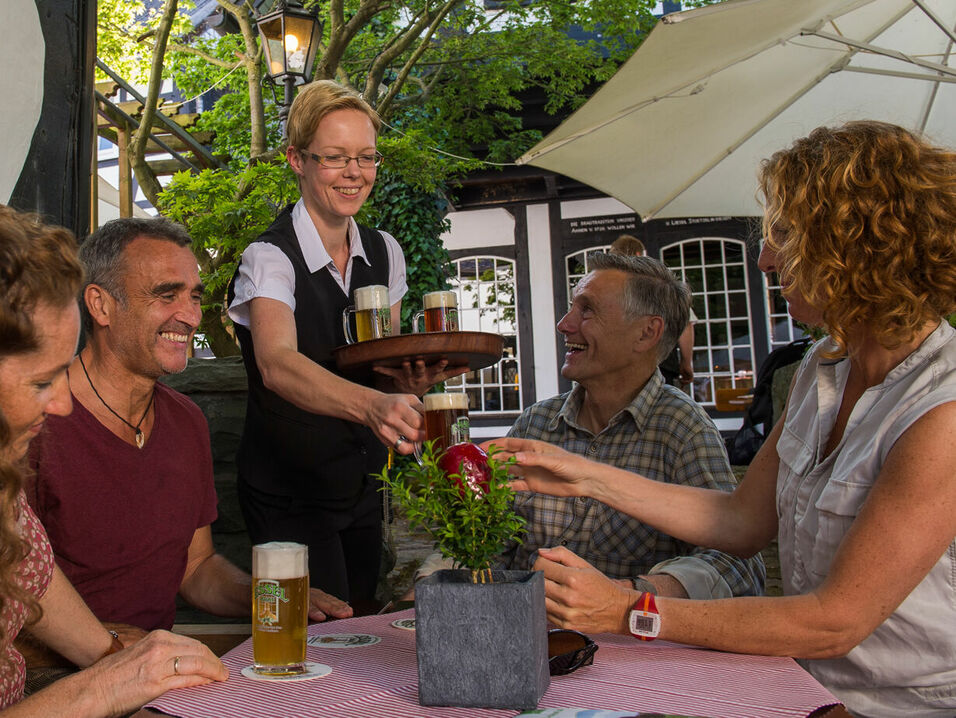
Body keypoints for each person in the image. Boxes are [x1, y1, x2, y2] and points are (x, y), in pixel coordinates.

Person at [491, 121, 956, 717]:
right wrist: (583, 474)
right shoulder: (823, 364)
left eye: (783, 233)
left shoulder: (938, 409)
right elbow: (740, 521)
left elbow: (831, 623)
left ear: (856, 242)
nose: (764, 258)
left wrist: (628, 611)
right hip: (807, 693)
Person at [27, 216, 351, 636]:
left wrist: (270, 595)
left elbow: (196, 568)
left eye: (194, 297)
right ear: (100, 305)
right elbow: (13, 602)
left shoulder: (185, 420)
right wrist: (109, 652)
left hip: (155, 671)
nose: (191, 316)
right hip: (50, 678)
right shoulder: (32, 423)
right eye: (166, 295)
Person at [226, 80, 465, 607]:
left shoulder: (386, 251)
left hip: (362, 485)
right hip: (289, 491)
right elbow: (277, 365)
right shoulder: (269, 257)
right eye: (335, 158)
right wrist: (373, 405)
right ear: (297, 160)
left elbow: (384, 364)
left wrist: (410, 383)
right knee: (322, 634)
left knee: (360, 625)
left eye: (366, 157)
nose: (354, 172)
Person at [0, 205, 227, 714]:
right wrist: (110, 680)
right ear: (100, 307)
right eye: (41, 380)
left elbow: (35, 580)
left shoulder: (3, 491)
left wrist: (122, 663)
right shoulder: (31, 439)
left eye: (194, 296)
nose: (60, 403)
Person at [493, 253, 763, 598]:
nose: (564, 324)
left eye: (587, 310)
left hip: (622, 647)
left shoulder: (683, 428)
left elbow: (739, 564)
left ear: (646, 333)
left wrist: (629, 596)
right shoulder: (537, 422)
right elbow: (491, 541)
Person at [608, 235, 695, 388]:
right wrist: (686, 363)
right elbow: (685, 326)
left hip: (618, 366)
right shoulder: (661, 284)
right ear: (638, 255)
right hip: (660, 363)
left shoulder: (604, 289)